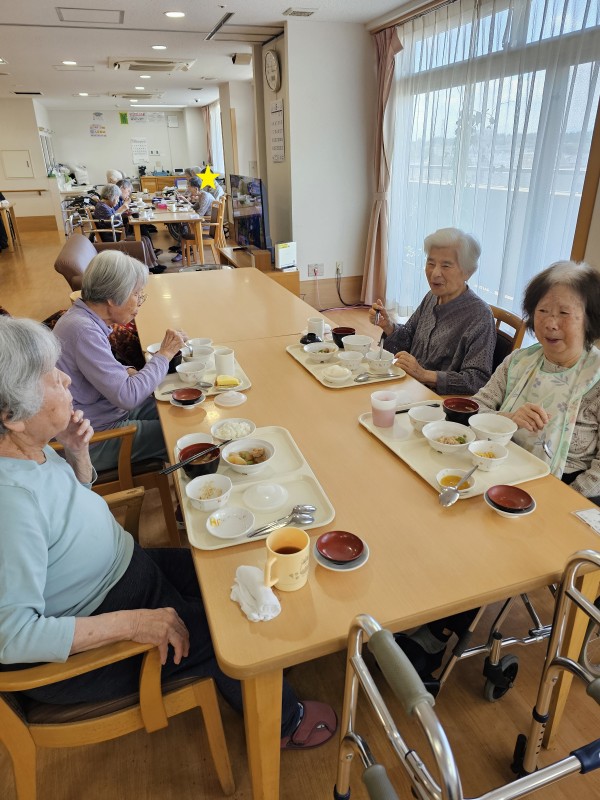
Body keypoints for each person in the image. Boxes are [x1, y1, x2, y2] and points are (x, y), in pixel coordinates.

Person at [0, 316, 337, 750]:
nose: (64, 379)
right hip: (94, 631)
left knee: (228, 569)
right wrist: (133, 623)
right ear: (12, 417)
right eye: (50, 376)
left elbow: (64, 515)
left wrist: (78, 455)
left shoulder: (30, 450)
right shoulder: (10, 503)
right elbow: (11, 637)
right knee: (231, 635)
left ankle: (256, 667)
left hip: (128, 572)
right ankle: (285, 723)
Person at [396, 260, 600, 680]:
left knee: (480, 541)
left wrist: (566, 503)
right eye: (542, 311)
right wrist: (508, 418)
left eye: (565, 312)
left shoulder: (596, 379)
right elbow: (478, 409)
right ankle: (419, 605)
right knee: (431, 507)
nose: (551, 323)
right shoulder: (521, 362)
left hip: (563, 490)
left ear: (589, 320)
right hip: (498, 468)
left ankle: (435, 637)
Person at [52, 251, 185, 472]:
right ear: (113, 298)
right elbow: (127, 397)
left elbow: (94, 369)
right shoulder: (84, 330)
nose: (139, 302)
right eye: (137, 294)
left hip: (105, 412)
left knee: (178, 410)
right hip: (92, 438)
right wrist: (165, 354)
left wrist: (127, 370)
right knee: (179, 434)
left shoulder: (81, 319)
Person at [369, 228, 496, 395]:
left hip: (439, 401)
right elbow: (408, 337)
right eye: (430, 263)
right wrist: (388, 326)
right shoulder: (431, 297)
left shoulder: (480, 316)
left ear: (468, 272)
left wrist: (425, 375)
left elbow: (477, 380)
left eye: (446, 265)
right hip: (409, 385)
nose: (434, 273)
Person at [93, 183, 163, 273]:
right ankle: (148, 267)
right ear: (111, 196)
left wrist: (124, 214)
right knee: (142, 240)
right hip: (113, 236)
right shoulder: (102, 207)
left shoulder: (105, 205)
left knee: (145, 238)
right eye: (117, 198)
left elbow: (113, 217)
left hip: (116, 233)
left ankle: (153, 264)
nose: (117, 201)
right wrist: (122, 209)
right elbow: (111, 221)